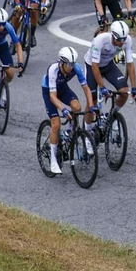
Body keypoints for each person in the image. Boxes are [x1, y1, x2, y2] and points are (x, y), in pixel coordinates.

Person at [41, 46, 94, 175]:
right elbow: (53, 96)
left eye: (73, 64)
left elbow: (86, 88)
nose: (71, 67)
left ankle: (68, 133)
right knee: (56, 123)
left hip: (62, 88)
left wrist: (91, 106)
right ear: (62, 63)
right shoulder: (53, 69)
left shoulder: (76, 68)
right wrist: (63, 109)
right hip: (49, 91)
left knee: (77, 107)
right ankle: (53, 159)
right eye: (69, 64)